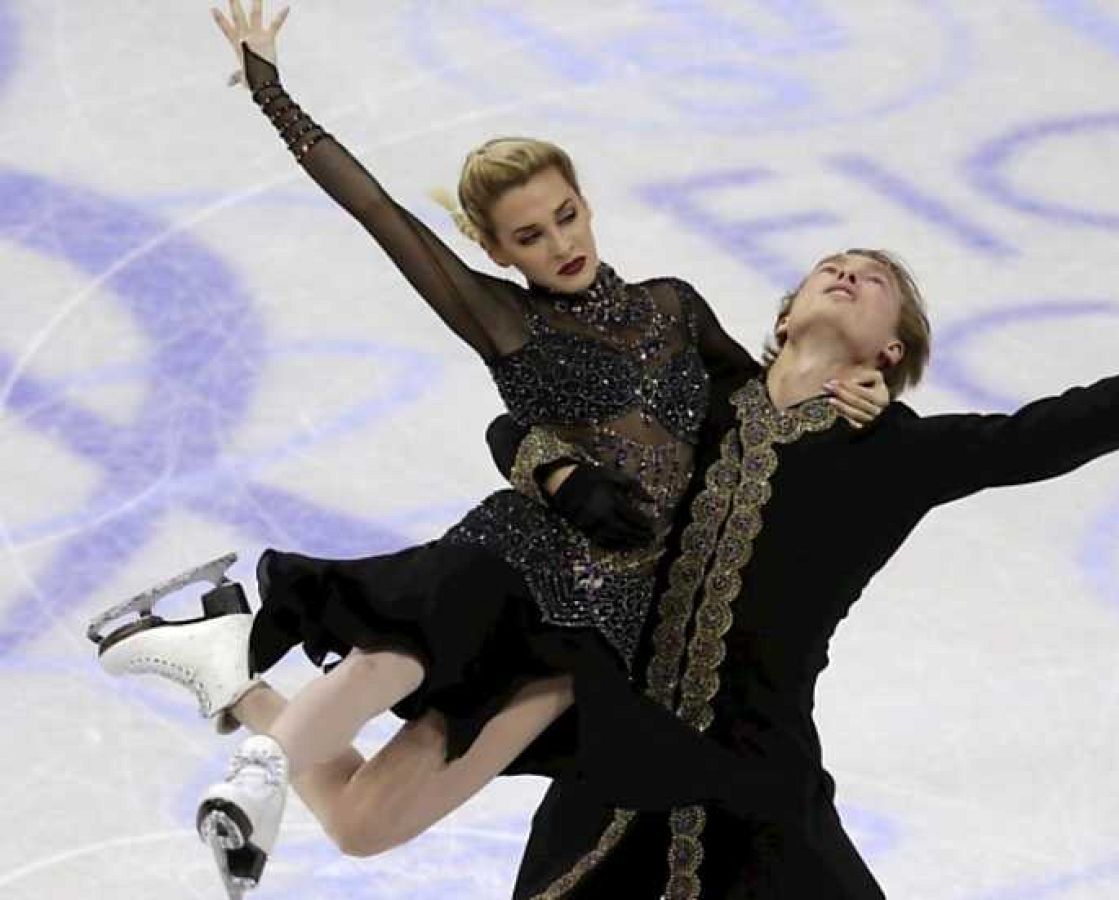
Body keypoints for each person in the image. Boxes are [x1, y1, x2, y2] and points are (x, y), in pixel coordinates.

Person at [84, 2, 887, 895]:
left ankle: (227, 664)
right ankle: (256, 774)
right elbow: (376, 211)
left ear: (586, 202)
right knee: (409, 639)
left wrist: (853, 389)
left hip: (603, 635)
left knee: (361, 826)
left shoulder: (674, 307)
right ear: (494, 249)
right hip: (515, 562)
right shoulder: (508, 322)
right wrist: (273, 92)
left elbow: (752, 409)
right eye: (530, 236)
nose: (561, 244)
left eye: (566, 215)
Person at [476, 249, 1119, 897]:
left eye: (876, 282)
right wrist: (552, 472)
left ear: (891, 352)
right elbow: (517, 415)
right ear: (785, 314)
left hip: (757, 784)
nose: (849, 272)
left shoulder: (894, 456)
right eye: (832, 267)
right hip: (612, 773)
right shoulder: (691, 401)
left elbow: (1065, 426)